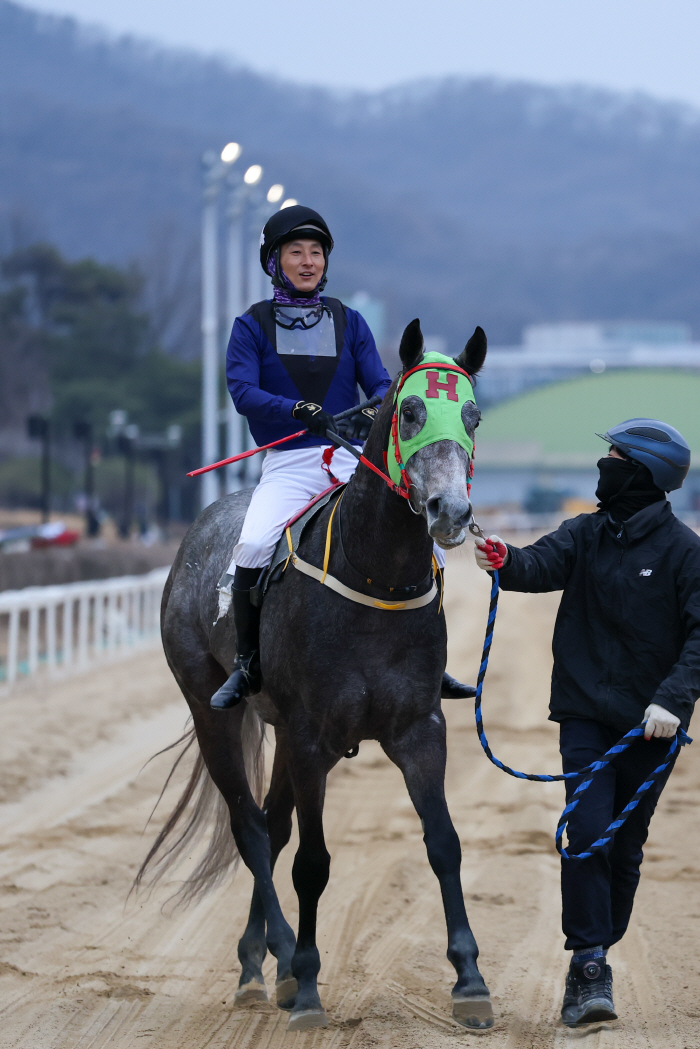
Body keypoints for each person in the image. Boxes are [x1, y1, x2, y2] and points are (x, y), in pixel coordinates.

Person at [473, 418, 699, 1027]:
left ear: (644, 473)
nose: (606, 467)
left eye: (617, 458)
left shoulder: (685, 553)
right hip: (584, 718)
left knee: (625, 847)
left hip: (652, 726)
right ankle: (590, 964)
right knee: (589, 831)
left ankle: (600, 939)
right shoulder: (585, 533)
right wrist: (504, 559)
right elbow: (536, 566)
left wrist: (673, 701)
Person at [211, 204, 473, 709]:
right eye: (296, 253)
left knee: (431, 548)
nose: (308, 262)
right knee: (253, 545)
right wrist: (295, 409)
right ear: (275, 261)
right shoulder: (250, 326)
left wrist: (380, 405)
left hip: (352, 459)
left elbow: (378, 383)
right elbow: (242, 392)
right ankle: (247, 666)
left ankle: (429, 663)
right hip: (289, 463)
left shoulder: (350, 322)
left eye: (316, 253)